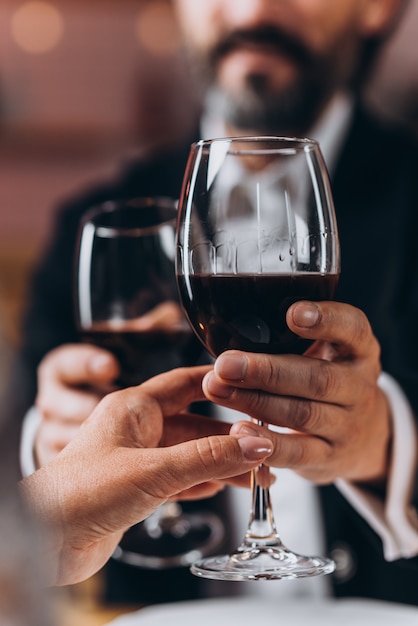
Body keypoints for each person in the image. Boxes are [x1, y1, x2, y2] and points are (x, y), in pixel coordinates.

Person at [14, 0, 418, 608]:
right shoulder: (93, 222)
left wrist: (390, 446)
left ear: (377, 9)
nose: (252, 8)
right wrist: (49, 446)